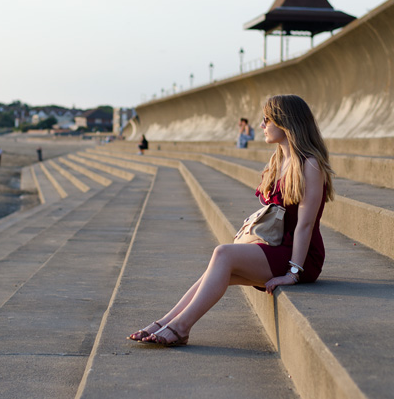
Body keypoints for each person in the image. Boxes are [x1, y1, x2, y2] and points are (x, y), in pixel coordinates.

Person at [128, 95, 334, 346]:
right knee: (215, 269)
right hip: (278, 248)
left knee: (223, 254)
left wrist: (292, 274)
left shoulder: (310, 165)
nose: (262, 125)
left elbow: (305, 225)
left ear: (285, 122)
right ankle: (164, 322)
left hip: (301, 257)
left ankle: (181, 328)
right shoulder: (279, 159)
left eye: (267, 119)